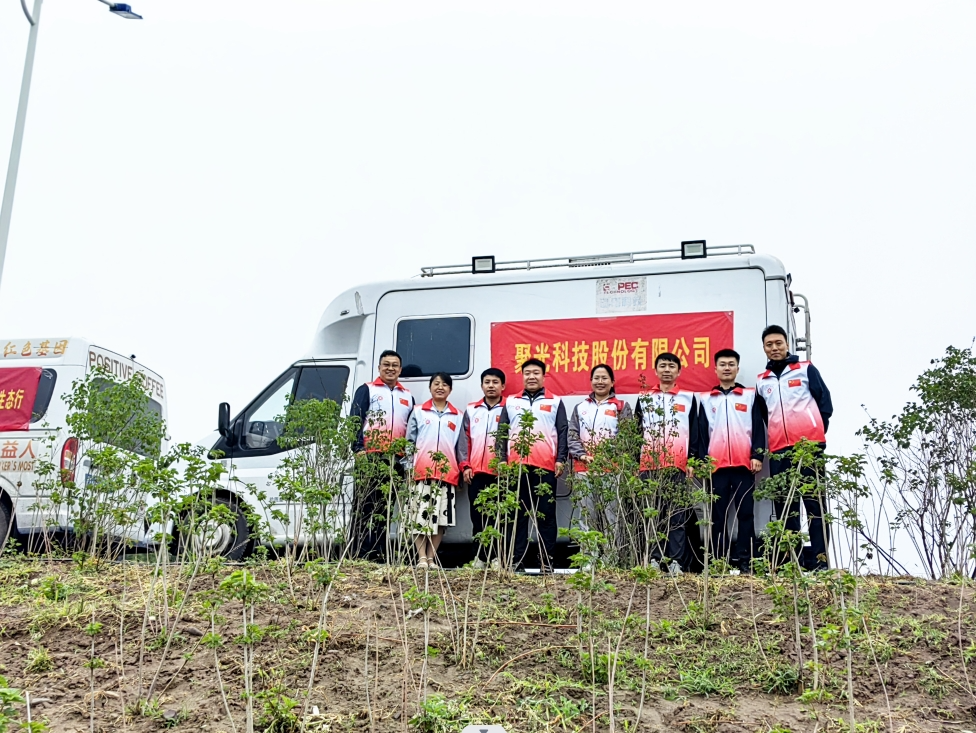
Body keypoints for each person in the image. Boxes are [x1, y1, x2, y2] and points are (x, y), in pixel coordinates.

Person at [755, 325, 833, 571]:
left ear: (787, 344)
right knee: (786, 507)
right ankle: (793, 564)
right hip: (779, 451)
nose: (774, 348)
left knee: (815, 505)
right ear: (764, 348)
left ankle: (821, 562)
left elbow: (825, 403)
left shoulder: (806, 369)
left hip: (808, 449)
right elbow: (763, 417)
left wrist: (816, 432)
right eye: (769, 344)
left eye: (778, 343)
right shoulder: (762, 381)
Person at [633, 352, 704, 574]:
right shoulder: (645, 397)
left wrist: (692, 460)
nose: (667, 370)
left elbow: (695, 431)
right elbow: (636, 431)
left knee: (677, 515)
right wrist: (635, 462)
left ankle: (676, 562)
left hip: (677, 464)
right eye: (662, 366)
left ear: (679, 371)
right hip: (648, 465)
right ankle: (654, 560)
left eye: (671, 366)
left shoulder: (688, 398)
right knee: (653, 514)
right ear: (655, 370)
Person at [497, 358, 568, 573]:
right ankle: (516, 561)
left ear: (543, 376)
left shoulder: (555, 401)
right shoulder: (511, 401)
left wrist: (560, 459)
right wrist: (501, 459)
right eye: (527, 373)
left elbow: (562, 431)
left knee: (545, 516)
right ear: (522, 376)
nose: (531, 377)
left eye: (536, 373)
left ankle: (546, 562)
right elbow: (502, 432)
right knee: (517, 516)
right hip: (516, 467)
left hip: (544, 467)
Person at [698, 348, 764, 573]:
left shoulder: (749, 396)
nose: (727, 368)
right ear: (715, 369)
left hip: (744, 465)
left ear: (737, 368)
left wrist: (757, 455)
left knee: (746, 514)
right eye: (723, 364)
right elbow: (701, 433)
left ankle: (746, 561)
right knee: (718, 516)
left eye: (731, 364)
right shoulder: (706, 399)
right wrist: (702, 461)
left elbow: (758, 428)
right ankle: (720, 562)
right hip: (716, 468)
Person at [349, 349, 415, 561]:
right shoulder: (367, 389)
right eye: (386, 364)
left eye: (395, 365)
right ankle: (359, 554)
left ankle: (378, 553)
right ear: (379, 367)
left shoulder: (407, 396)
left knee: (386, 508)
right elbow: (355, 419)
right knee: (364, 506)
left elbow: (411, 430)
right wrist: (358, 449)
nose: (390, 368)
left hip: (395, 460)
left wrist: (408, 460)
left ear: (400, 370)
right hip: (370, 457)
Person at [567, 364, 633, 562]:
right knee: (587, 516)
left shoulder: (621, 407)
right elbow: (572, 435)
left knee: (612, 516)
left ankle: (611, 558)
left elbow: (627, 437)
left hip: (611, 469)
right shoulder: (580, 408)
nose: (600, 382)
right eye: (596, 378)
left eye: (605, 378)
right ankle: (589, 558)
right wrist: (582, 455)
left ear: (612, 382)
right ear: (591, 381)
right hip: (583, 469)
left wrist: (609, 456)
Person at [404, 372, 462, 570]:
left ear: (450, 390)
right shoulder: (419, 411)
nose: (440, 387)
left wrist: (459, 473)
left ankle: (431, 558)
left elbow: (460, 447)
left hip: (447, 474)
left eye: (445, 384)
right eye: (436, 383)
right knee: (419, 517)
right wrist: (408, 468)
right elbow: (409, 442)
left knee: (441, 520)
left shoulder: (458, 415)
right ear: (430, 387)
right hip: (421, 472)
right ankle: (421, 557)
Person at [456, 367, 508, 569]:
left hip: (500, 473)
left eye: (495, 382)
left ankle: (497, 558)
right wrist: (465, 466)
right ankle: (480, 556)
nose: (491, 386)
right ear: (481, 386)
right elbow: (464, 441)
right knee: (477, 516)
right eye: (487, 382)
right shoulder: (472, 409)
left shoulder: (509, 408)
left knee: (499, 517)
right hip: (476, 472)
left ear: (503, 386)